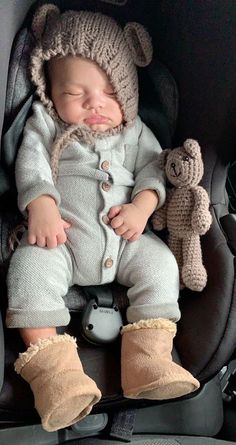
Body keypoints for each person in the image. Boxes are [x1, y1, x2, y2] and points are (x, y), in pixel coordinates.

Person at [6, 4, 200, 432]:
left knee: (160, 264)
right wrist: (41, 205)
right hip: (62, 238)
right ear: (52, 95)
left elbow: (153, 170)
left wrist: (143, 207)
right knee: (28, 270)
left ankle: (148, 362)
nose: (95, 103)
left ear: (127, 94)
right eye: (75, 94)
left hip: (126, 236)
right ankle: (56, 378)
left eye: (110, 93)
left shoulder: (134, 132)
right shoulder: (47, 123)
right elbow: (32, 162)